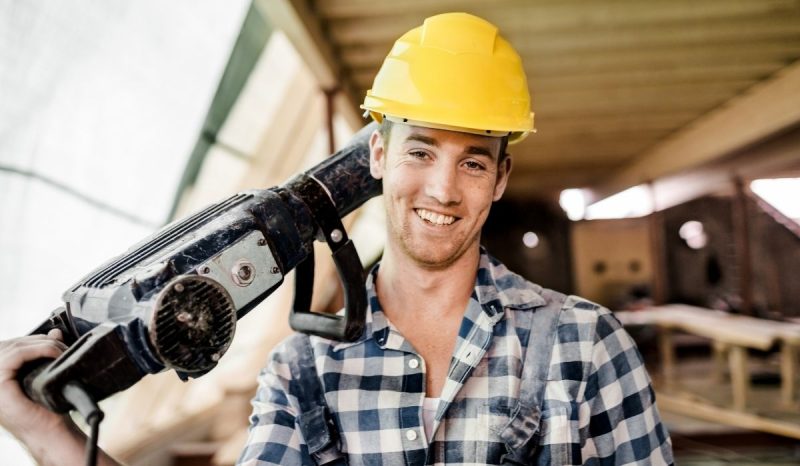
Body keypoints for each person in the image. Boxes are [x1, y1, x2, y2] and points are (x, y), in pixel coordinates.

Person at [0, 12, 673, 466]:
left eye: (472, 160)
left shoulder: (587, 346)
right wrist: (43, 429)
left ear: (501, 176)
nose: (442, 189)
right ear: (376, 154)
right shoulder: (303, 373)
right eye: (420, 151)